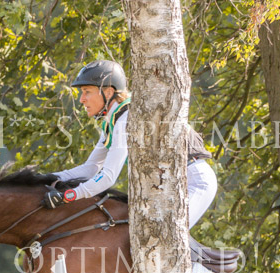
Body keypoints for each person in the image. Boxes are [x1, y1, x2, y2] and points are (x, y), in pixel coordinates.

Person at [44, 59, 217, 229]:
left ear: (109, 92)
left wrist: (70, 195)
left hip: (193, 180)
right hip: (166, 186)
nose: (82, 99)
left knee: (169, 235)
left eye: (87, 91)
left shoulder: (127, 119)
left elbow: (108, 177)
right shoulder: (113, 122)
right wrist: (44, 179)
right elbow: (90, 168)